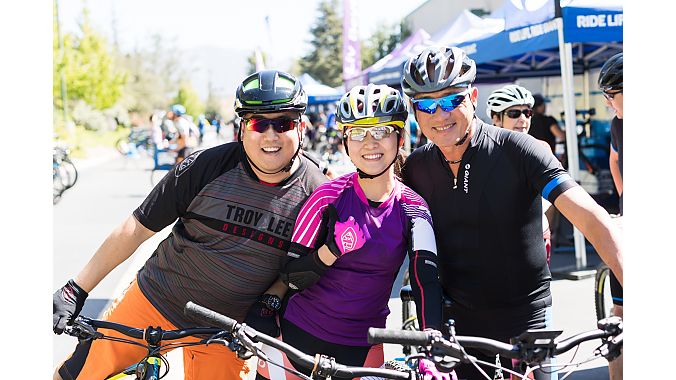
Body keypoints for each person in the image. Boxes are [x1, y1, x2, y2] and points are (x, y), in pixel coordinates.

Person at [52, 69, 328, 380]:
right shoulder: (205, 168)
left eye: (283, 123)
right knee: (75, 375)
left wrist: (272, 300)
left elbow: (306, 266)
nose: (271, 135)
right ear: (242, 128)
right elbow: (135, 228)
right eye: (258, 123)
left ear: (301, 127)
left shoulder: (319, 192)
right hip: (155, 300)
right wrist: (76, 289)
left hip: (226, 329)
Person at [399, 46, 623, 380]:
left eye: (450, 101)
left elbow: (591, 217)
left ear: (473, 97)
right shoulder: (416, 166)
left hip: (526, 318)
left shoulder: (520, 150)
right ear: (414, 111)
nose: (439, 115)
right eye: (426, 105)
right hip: (459, 320)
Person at [255, 84, 450, 380]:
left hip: (364, 347)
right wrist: (331, 250)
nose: (370, 143)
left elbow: (426, 283)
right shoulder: (326, 197)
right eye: (358, 133)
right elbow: (290, 277)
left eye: (382, 131)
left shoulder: (413, 208)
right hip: (297, 339)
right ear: (346, 142)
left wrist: (431, 347)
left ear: (400, 139)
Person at [486, 84, 552, 264]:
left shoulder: (541, 148)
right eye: (514, 113)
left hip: (534, 236)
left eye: (527, 113)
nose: (523, 119)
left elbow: (550, 196)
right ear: (496, 118)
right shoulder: (482, 152)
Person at [598, 51, 623, 380]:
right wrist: (623, 198)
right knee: (618, 315)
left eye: (610, 95)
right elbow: (614, 160)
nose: (607, 103)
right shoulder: (619, 124)